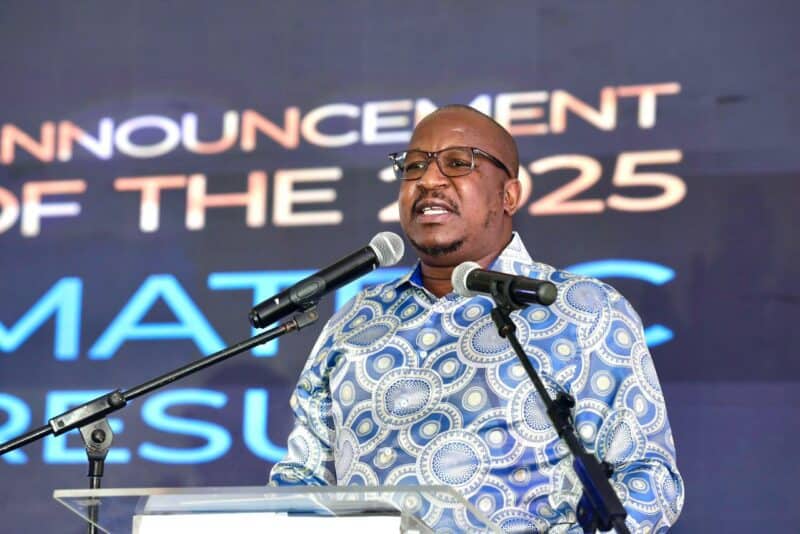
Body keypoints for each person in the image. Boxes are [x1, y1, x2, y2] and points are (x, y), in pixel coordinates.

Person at [269, 105, 684, 532]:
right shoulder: (355, 322)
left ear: (509, 196)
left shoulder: (580, 308)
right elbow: (302, 481)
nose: (428, 180)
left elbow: (647, 479)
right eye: (414, 166)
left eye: (457, 163)